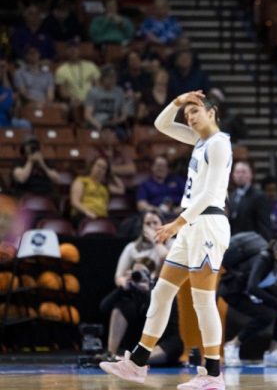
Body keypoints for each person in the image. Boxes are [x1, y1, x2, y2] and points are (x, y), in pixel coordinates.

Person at [99, 90, 233, 389]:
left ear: (212, 112)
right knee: (161, 293)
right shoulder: (200, 142)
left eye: (195, 111)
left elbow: (211, 194)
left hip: (207, 223)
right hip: (191, 224)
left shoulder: (219, 144)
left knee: (202, 300)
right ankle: (137, 362)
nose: (189, 117)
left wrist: (176, 223)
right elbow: (162, 125)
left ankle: (213, 374)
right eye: (187, 115)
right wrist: (178, 101)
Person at [220, 236, 277, 367]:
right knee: (267, 314)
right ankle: (232, 345)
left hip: (248, 291)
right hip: (233, 292)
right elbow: (252, 287)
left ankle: (273, 352)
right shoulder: (264, 259)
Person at [103, 211, 170, 359]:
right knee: (122, 305)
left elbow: (166, 258)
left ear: (163, 225)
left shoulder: (171, 243)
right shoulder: (132, 248)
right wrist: (126, 282)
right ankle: (111, 353)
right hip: (137, 293)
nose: (151, 227)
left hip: (160, 290)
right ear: (142, 227)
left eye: (155, 223)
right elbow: (118, 276)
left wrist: (157, 241)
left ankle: (142, 355)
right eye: (147, 224)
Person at [70, 156, 125, 226]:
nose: (100, 169)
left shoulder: (105, 186)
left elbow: (121, 190)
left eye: (104, 168)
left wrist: (112, 174)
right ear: (92, 166)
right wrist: (87, 212)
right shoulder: (81, 181)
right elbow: (75, 202)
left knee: (121, 226)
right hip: (83, 214)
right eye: (98, 165)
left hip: (102, 216)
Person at [228, 161, 272, 240]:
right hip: (234, 242)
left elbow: (264, 224)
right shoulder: (232, 196)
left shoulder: (259, 196)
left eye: (243, 172)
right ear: (233, 175)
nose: (240, 175)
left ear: (251, 175)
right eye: (237, 172)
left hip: (252, 241)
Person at [136, 155, 185, 221]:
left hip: (179, 214)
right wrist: (156, 210)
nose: (161, 168)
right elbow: (141, 205)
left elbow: (190, 197)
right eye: (158, 165)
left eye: (164, 166)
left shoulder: (177, 180)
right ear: (152, 167)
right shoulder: (145, 185)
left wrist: (181, 208)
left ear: (168, 169)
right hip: (157, 216)